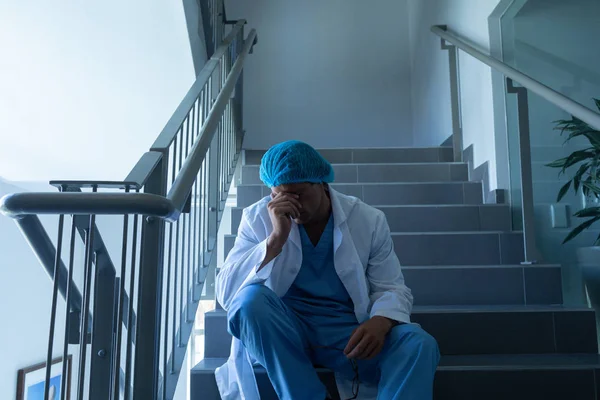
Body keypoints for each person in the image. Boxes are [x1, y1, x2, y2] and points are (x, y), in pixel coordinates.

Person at [215, 140, 440, 400]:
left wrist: (382, 320)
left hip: (346, 333)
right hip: (286, 331)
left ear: (322, 183)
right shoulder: (257, 218)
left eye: (298, 193)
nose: (291, 204)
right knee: (248, 301)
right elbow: (227, 294)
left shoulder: (368, 219)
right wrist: (275, 239)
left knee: (419, 344)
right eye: (279, 195)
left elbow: (391, 286)